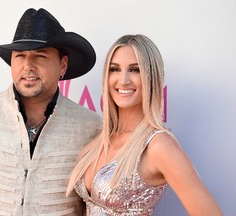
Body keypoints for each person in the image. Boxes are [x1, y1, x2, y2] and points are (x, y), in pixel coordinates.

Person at [0, 8, 101, 215]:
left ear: (62, 65)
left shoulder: (90, 126)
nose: (28, 65)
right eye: (20, 56)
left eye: (40, 56)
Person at [66, 34, 223, 215]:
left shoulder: (159, 145)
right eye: (115, 69)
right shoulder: (99, 139)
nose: (123, 79)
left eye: (135, 69)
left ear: (151, 77)